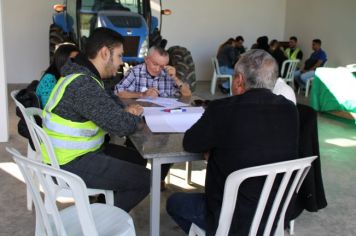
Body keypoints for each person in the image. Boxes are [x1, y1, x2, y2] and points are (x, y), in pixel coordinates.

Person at [166, 49, 299, 235]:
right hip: (276, 213)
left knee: (174, 202)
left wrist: (214, 151)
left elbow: (191, 143)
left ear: (238, 80)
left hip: (232, 218)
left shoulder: (222, 109)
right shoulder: (289, 110)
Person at [42, 27, 150, 212]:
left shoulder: (86, 76)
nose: (121, 63)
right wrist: (132, 115)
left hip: (80, 152)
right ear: (105, 53)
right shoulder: (83, 84)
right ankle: (99, 225)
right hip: (68, 163)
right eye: (119, 56)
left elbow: (114, 106)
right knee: (146, 179)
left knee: (137, 158)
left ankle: (101, 203)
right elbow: (120, 125)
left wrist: (125, 113)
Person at [115, 46, 191, 98]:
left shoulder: (168, 74)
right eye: (155, 64)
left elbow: (187, 94)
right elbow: (118, 92)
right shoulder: (135, 72)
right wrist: (142, 94)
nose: (158, 69)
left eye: (162, 66)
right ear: (146, 59)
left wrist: (175, 78)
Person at [36, 43, 79, 108]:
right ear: (62, 59)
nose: (77, 63)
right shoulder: (50, 79)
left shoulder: (63, 76)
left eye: (78, 60)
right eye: (72, 60)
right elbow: (48, 107)